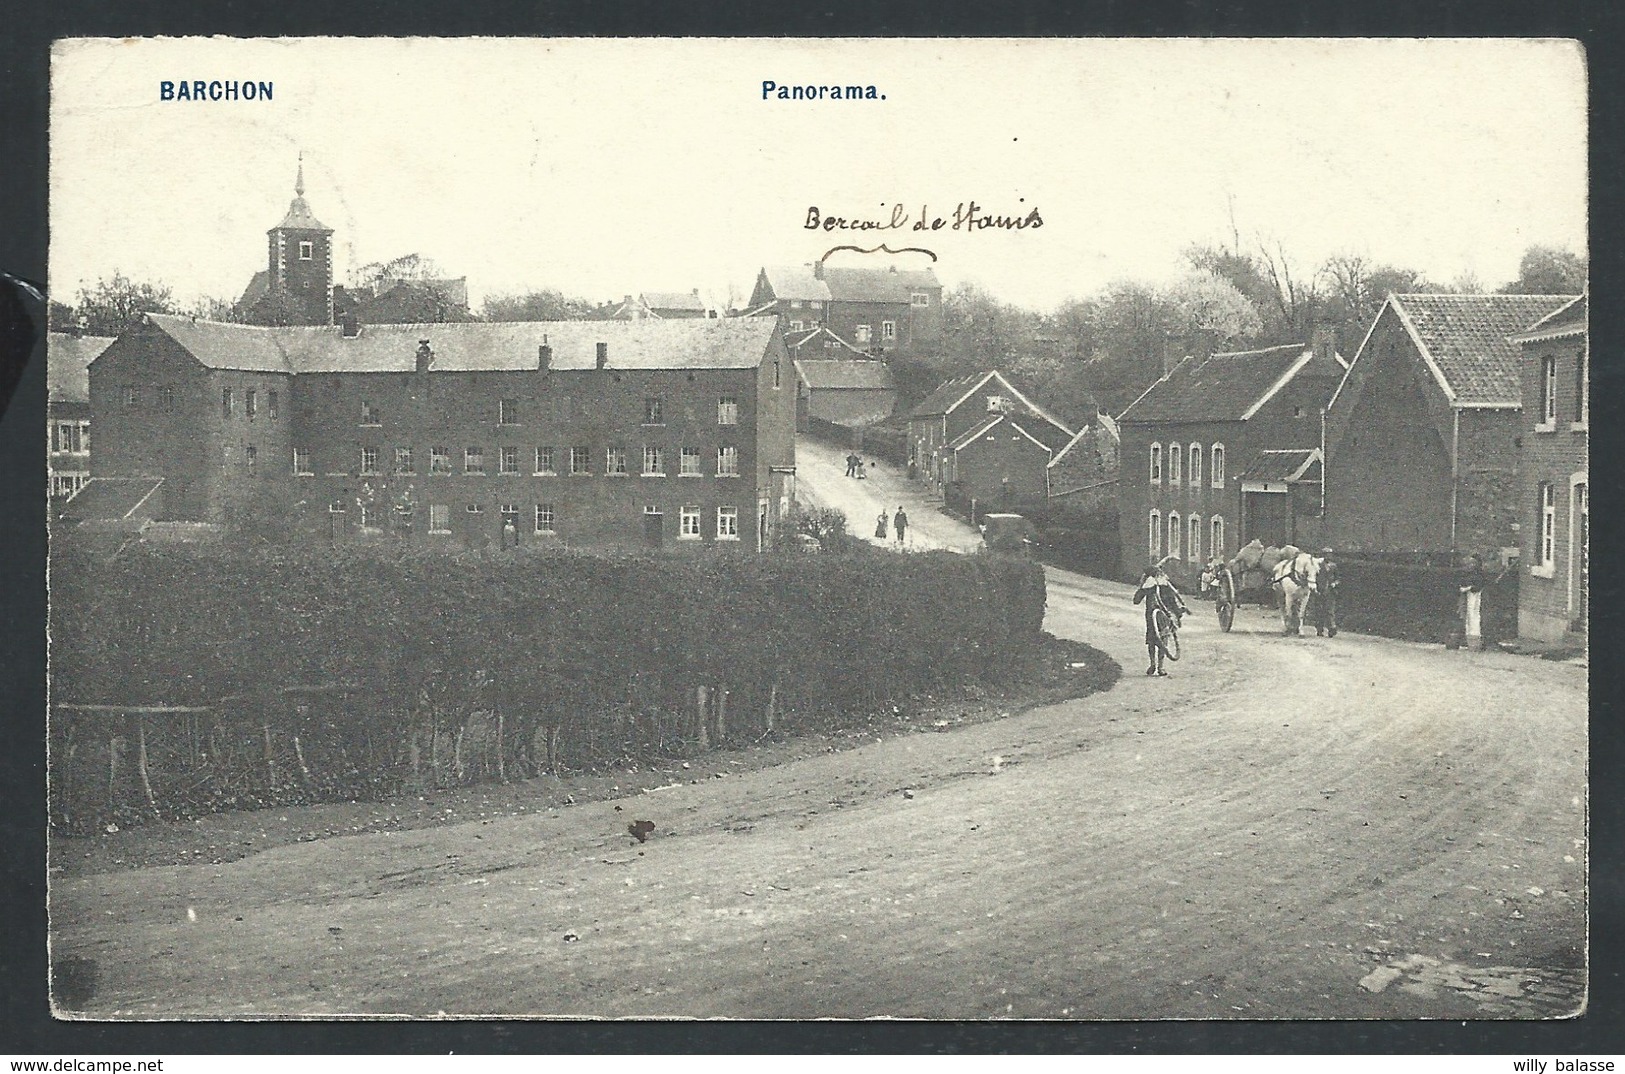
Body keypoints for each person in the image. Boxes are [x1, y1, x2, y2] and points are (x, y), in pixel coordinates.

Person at [1133, 562, 1189, 677]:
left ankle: (1159, 665)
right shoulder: (1150, 586)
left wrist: (1177, 613)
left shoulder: (1165, 586)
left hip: (1163, 615)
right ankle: (1155, 664)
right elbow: (1136, 600)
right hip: (1152, 615)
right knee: (1154, 639)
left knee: (1160, 639)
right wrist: (1142, 587)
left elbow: (1172, 601)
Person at [1456, 553, 1506, 651]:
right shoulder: (1472, 573)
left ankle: (1476, 641)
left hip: (1477, 597)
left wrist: (1467, 588)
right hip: (1470, 597)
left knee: (1475, 616)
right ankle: (1472, 640)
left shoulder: (1478, 574)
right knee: (1470, 616)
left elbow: (1478, 586)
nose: (1471, 565)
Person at [1311, 548, 1340, 637]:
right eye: (1326, 554)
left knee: (1330, 610)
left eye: (1329, 554)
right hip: (1320, 590)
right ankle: (1319, 629)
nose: (1328, 556)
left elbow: (1338, 578)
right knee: (1319, 610)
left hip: (1330, 591)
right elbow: (1313, 576)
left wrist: (1334, 583)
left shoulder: (1334, 566)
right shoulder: (1318, 565)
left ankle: (1331, 628)